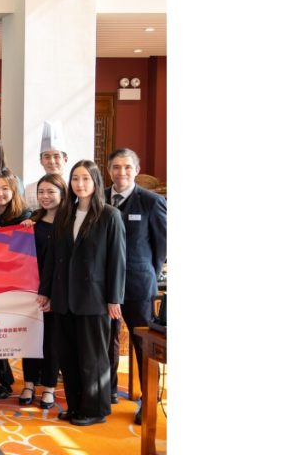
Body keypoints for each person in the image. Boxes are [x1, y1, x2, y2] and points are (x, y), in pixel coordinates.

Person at [38, 160, 125, 427]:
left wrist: (114, 298)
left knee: (92, 358)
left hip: (93, 298)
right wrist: (46, 292)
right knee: (69, 357)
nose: (80, 184)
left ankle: (95, 409)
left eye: (86, 178)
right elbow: (53, 257)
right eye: (75, 178)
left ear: (96, 182)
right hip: (64, 297)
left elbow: (117, 260)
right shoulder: (65, 214)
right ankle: (75, 406)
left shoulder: (110, 215)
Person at [105, 148, 167, 424]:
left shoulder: (152, 202)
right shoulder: (98, 197)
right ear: (109, 170)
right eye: (116, 167)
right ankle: (106, 390)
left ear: (137, 170)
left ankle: (149, 398)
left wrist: (149, 271)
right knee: (106, 340)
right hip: (103, 284)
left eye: (127, 167)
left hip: (138, 284)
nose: (122, 172)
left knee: (143, 343)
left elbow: (162, 245)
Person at [0, 169, 33, 399]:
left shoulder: (24, 215)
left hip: (18, 281)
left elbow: (25, 249)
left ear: (14, 191)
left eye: (5, 189)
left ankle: (28, 379)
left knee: (19, 329)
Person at [19, 173, 68, 410]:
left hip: (56, 291)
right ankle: (28, 384)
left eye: (51, 192)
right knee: (29, 338)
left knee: (51, 341)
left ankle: (48, 387)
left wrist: (51, 294)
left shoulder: (69, 223)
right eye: (41, 192)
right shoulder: (32, 221)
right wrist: (22, 231)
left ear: (62, 194)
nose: (45, 196)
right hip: (31, 291)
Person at [23, 121, 69, 210]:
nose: (52, 161)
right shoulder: (30, 190)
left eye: (56, 156)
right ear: (41, 161)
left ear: (65, 160)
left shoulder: (73, 188)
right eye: (47, 157)